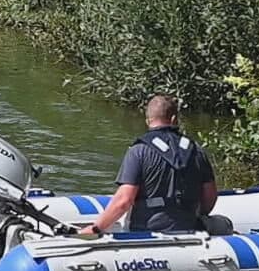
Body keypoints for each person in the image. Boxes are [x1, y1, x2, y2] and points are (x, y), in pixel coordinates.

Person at [78, 94, 228, 236]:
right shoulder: (196, 150)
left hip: (146, 231)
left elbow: (124, 201)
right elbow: (210, 196)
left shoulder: (139, 150)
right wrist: (196, 215)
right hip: (189, 229)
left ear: (147, 121)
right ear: (174, 119)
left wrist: (96, 228)